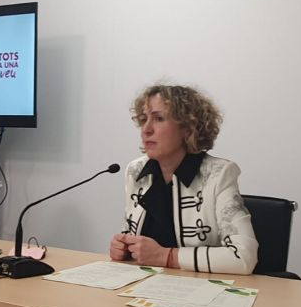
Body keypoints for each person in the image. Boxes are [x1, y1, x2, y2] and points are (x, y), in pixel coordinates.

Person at [109, 84, 258, 274]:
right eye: (144, 119)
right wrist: (123, 247)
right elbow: (136, 238)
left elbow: (243, 257)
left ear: (188, 128)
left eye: (158, 118)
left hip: (198, 288)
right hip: (144, 284)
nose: (146, 129)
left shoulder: (218, 174)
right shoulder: (136, 171)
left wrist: (167, 256)